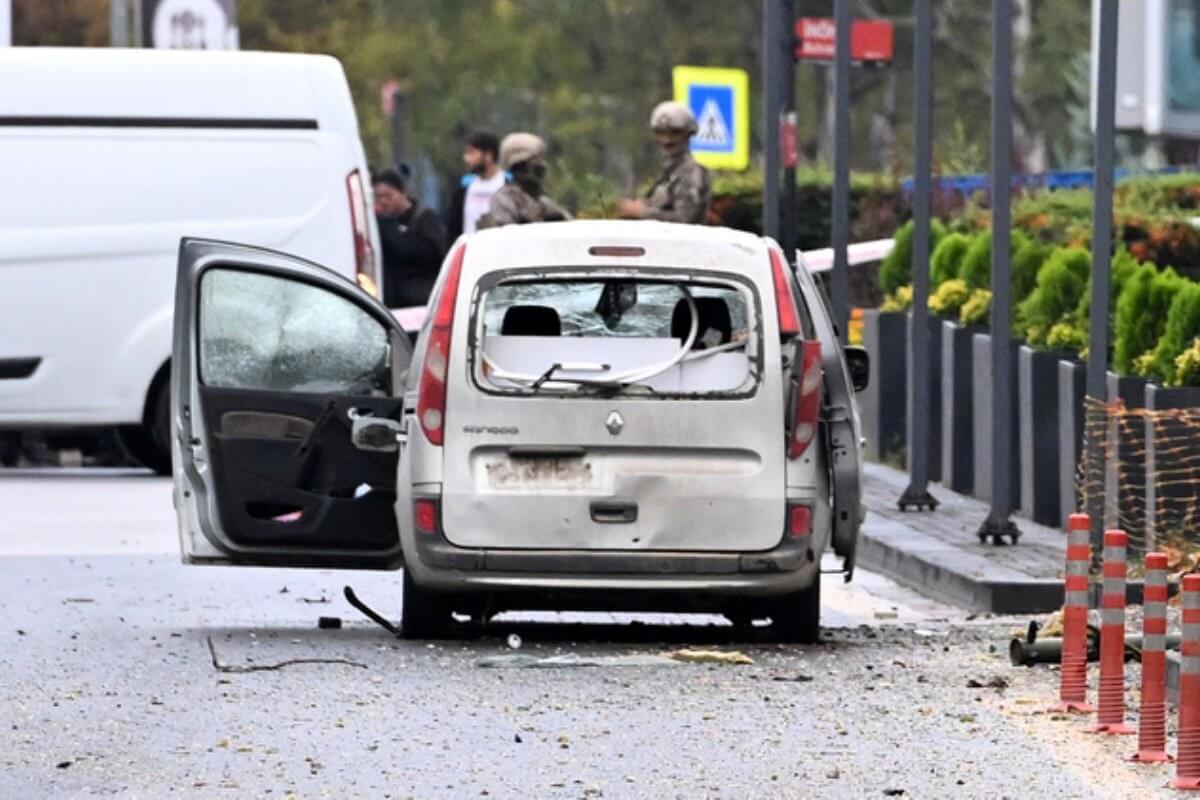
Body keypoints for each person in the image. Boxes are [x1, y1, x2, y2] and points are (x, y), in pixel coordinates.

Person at [617, 101, 711, 224]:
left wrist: (642, 212)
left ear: (688, 135)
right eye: (661, 133)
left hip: (681, 243)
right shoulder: (668, 172)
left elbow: (684, 219)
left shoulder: (690, 171)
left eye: (675, 133)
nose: (667, 140)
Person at [373, 167, 447, 308]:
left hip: (419, 299)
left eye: (388, 196)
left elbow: (432, 253)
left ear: (403, 193)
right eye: (379, 197)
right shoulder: (378, 223)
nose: (383, 201)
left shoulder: (424, 218)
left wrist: (393, 233)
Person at [477, 132, 572, 228]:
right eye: (536, 159)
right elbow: (506, 236)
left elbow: (571, 225)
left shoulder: (542, 201)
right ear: (519, 165)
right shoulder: (503, 199)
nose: (542, 165)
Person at [445, 130, 507, 241]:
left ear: (489, 155)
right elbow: (453, 229)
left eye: (471, 153)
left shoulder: (507, 184)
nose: (466, 159)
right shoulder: (464, 188)